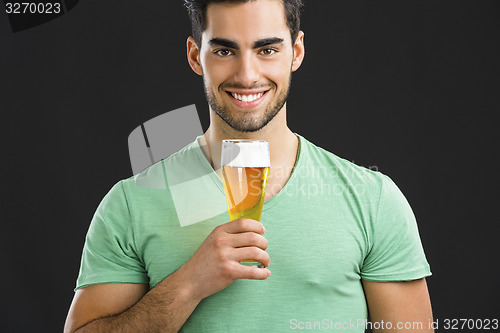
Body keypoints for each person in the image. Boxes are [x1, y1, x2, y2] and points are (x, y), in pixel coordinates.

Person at [64, 0, 434, 332]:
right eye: (225, 50)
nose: (246, 74)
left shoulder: (373, 199)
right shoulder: (131, 203)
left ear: (296, 51)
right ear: (195, 56)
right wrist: (190, 283)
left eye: (267, 49)